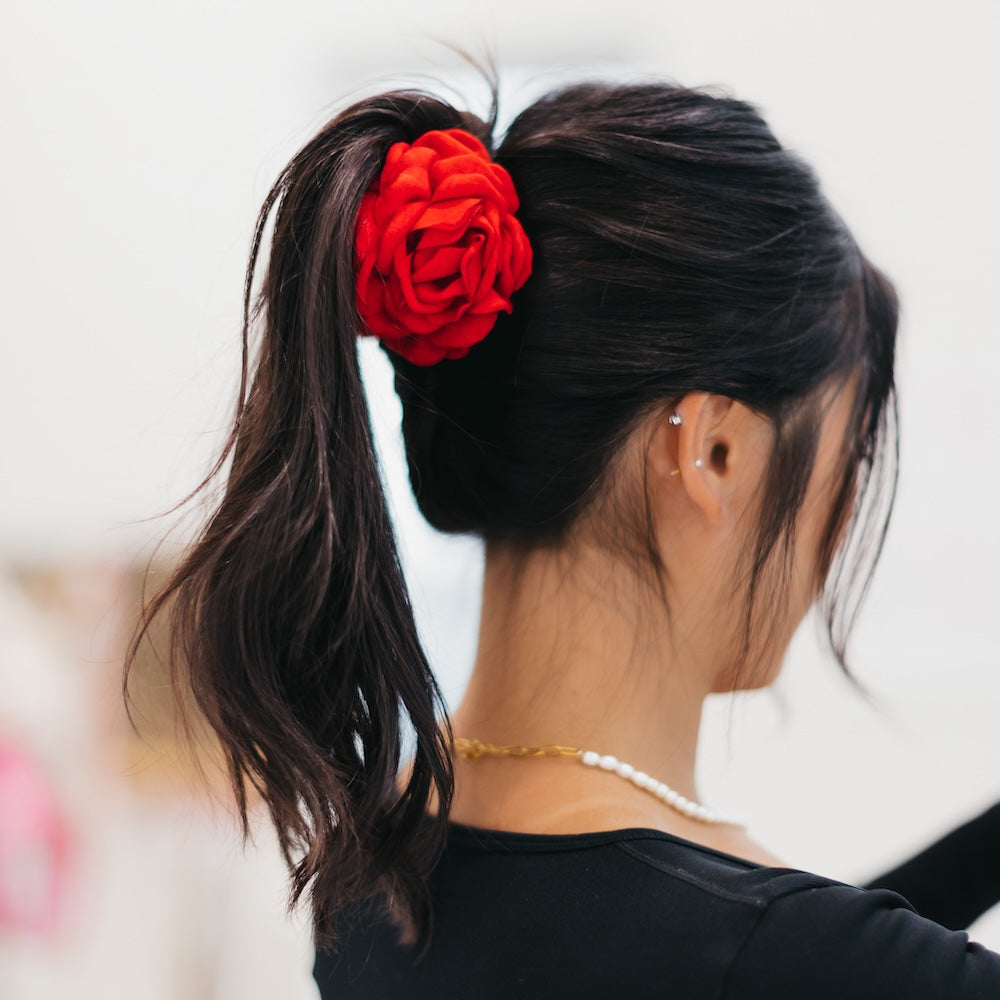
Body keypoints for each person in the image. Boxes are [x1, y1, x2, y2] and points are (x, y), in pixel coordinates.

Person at [131, 76, 1000, 996]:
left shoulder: (375, 862)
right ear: (713, 452)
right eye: (844, 460)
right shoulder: (803, 954)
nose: (843, 515)